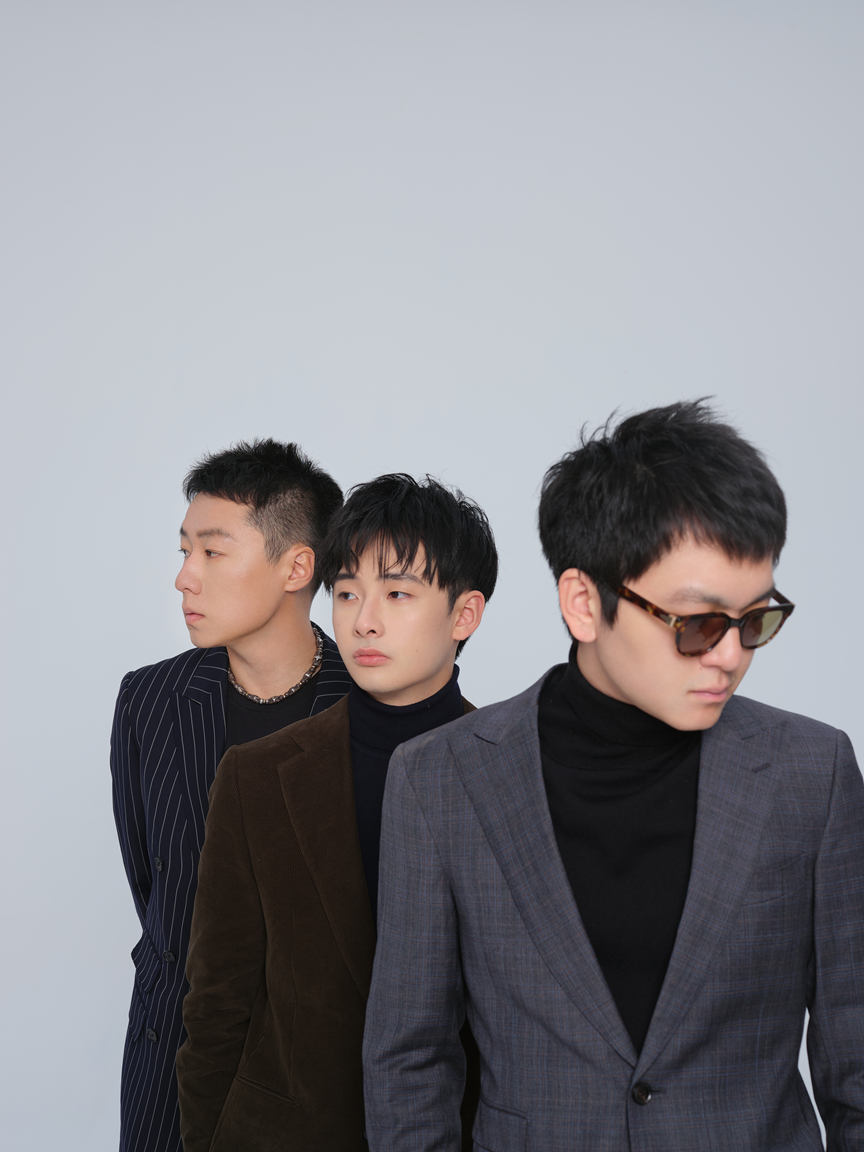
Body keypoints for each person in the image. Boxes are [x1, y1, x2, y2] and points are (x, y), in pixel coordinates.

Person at [363, 401, 864, 1151]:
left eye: (755, 620)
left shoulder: (811, 775)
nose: (731, 655)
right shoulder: (439, 780)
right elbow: (409, 1062)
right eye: (697, 624)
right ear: (583, 604)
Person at [176, 474, 498, 1151]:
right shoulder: (257, 776)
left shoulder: (518, 776)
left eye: (397, 594)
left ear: (464, 615)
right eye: (347, 593)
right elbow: (217, 1004)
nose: (363, 620)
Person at [110, 439, 350, 1152]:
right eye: (185, 551)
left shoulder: (373, 710)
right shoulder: (150, 700)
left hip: (321, 1081)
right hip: (169, 1057)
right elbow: (157, 885)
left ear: (296, 567)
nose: (184, 578)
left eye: (213, 553)